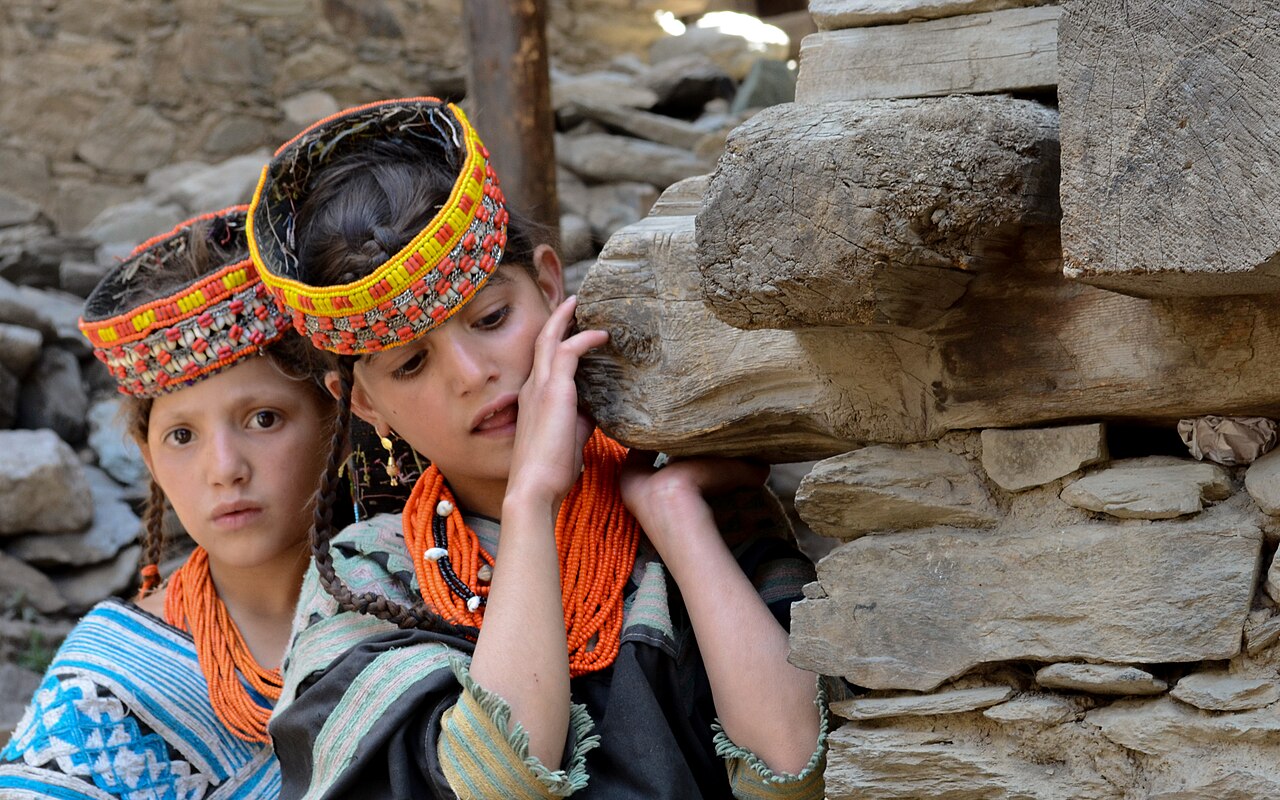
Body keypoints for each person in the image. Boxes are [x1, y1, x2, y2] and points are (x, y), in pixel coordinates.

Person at [248, 97, 832, 799]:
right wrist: (531, 500)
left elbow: (797, 766)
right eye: (411, 364)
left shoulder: (705, 507)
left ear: (551, 284)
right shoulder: (366, 582)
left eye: (491, 318)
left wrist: (675, 515)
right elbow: (496, 787)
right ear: (367, 404)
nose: (472, 374)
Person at [0, 207, 333, 799]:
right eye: (182, 435)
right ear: (149, 460)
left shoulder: (425, 597)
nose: (225, 468)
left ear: (338, 416)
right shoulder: (109, 692)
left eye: (263, 418)